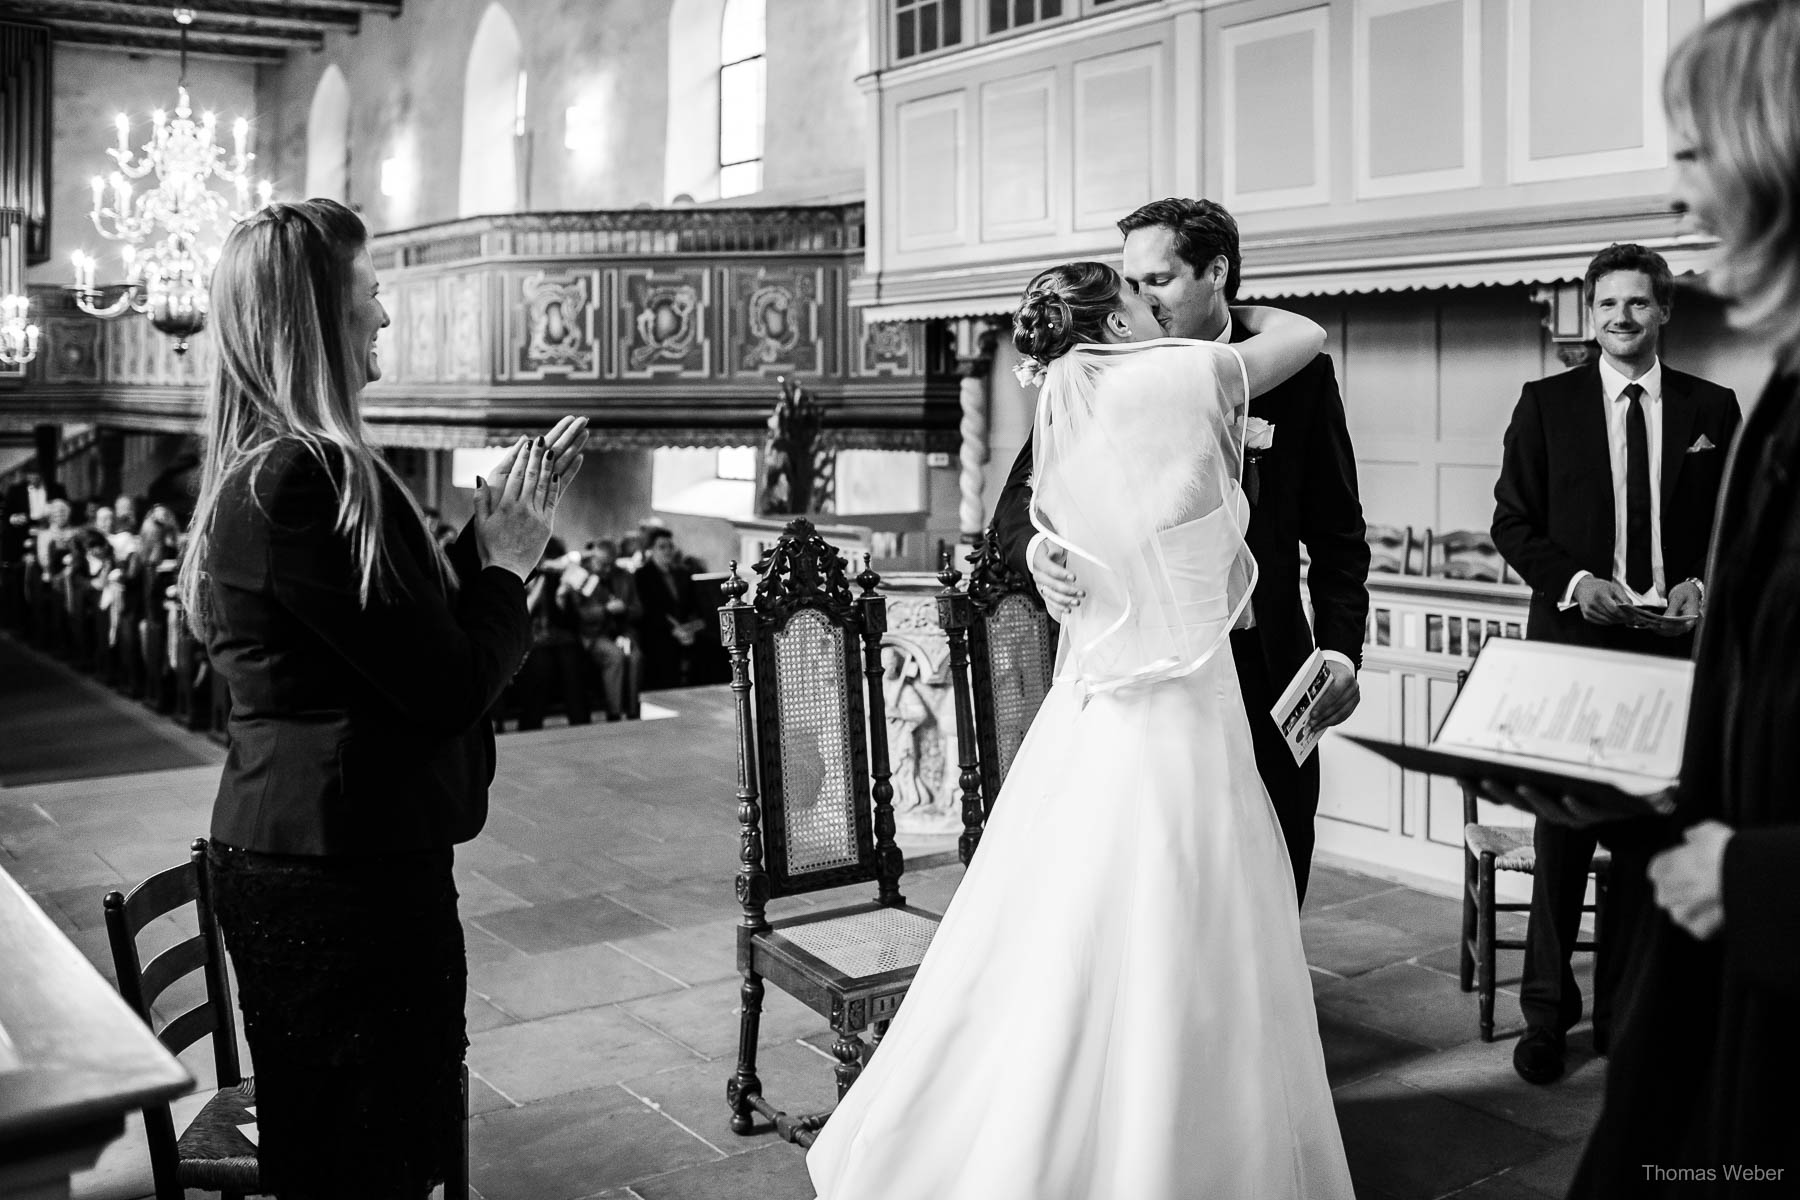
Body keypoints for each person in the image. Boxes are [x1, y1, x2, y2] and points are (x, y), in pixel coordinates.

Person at [808, 263, 1353, 1199]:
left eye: (1163, 280)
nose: (1154, 303)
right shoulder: (1180, 375)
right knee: (1193, 907)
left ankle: (1072, 1122)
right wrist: (1221, 325)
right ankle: (1181, 1139)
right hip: (1181, 705)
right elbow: (1304, 335)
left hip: (1099, 704)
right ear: (1115, 319)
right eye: (1138, 294)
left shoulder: (1069, 398)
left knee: (1071, 912)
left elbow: (1057, 506)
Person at [177, 197, 588, 1199]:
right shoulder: (304, 481)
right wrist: (507, 569)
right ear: (320, 315)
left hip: (335, 854)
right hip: (335, 876)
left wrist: (480, 547)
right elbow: (443, 684)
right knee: (364, 1165)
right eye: (371, 295)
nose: (387, 318)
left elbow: (368, 634)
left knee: (380, 1145)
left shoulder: (287, 472)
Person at [1555, 3, 1800, 1193]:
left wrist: (1758, 879)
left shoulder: (1727, 403)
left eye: (1696, 152)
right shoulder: (1789, 385)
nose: (1679, 193)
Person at [991, 197, 1370, 906]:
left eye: (1155, 280)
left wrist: (1342, 651)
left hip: (1266, 669)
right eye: (1130, 283)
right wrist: (1037, 547)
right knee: (1155, 881)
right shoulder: (1104, 375)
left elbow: (1338, 535)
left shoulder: (1302, 379)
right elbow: (1018, 500)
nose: (1138, 298)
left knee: (1277, 865)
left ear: (1215, 271)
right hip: (1156, 678)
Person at [1490, 242, 1739, 1085]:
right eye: (1607, 306)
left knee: (1644, 840)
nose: (1622, 319)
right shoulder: (1545, 403)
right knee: (1561, 838)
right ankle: (1546, 1022)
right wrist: (1576, 581)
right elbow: (1511, 522)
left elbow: (1740, 528)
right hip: (1574, 650)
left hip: (1673, 655)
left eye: (1638, 304)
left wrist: (1702, 584)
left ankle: (1626, 1022)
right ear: (1589, 314)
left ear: (1664, 311)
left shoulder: (1715, 408)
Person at [571, 538, 642, 720]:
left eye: (611, 564)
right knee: (615, 656)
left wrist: (624, 608)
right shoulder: (581, 575)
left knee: (634, 656)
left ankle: (633, 710)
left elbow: (638, 609)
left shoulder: (624, 576)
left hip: (621, 631)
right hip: (594, 635)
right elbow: (580, 614)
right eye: (603, 564)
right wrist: (605, 610)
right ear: (594, 559)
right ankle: (614, 712)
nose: (607, 570)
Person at [634, 526, 710, 690]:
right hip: (658, 629)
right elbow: (649, 609)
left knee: (709, 645)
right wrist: (674, 630)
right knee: (664, 650)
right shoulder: (643, 575)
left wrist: (690, 627)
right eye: (662, 547)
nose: (667, 551)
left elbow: (693, 605)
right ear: (651, 550)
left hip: (684, 627)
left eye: (670, 546)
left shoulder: (682, 573)